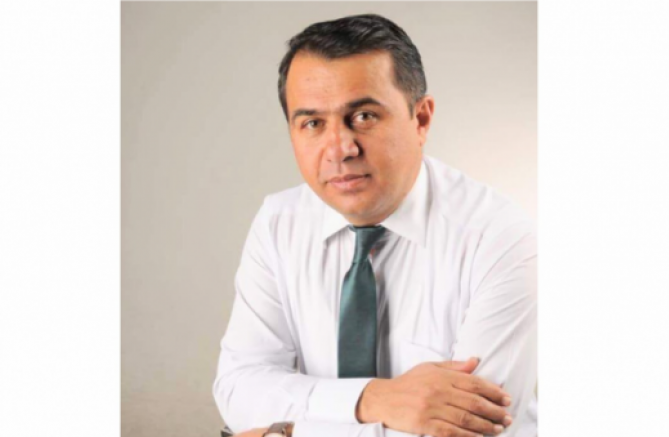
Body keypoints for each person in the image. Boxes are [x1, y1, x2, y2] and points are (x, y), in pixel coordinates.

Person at [213, 14, 537, 437]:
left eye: (364, 116)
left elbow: (470, 429)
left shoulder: (500, 237)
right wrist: (372, 398)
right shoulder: (278, 223)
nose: (340, 149)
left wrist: (287, 433)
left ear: (421, 119)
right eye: (312, 123)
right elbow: (238, 388)